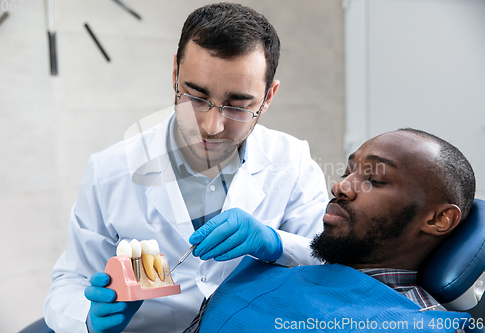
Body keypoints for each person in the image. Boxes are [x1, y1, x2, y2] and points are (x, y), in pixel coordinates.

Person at [43, 3, 329, 333]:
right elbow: (68, 281)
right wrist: (89, 318)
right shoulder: (110, 171)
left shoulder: (292, 163)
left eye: (237, 106)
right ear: (176, 73)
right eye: (196, 96)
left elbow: (327, 270)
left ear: (268, 97)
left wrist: (276, 243)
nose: (212, 125)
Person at [185, 128, 476, 333]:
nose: (340, 187)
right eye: (346, 172)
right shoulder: (263, 275)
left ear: (439, 219)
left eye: (374, 179)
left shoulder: (420, 325)